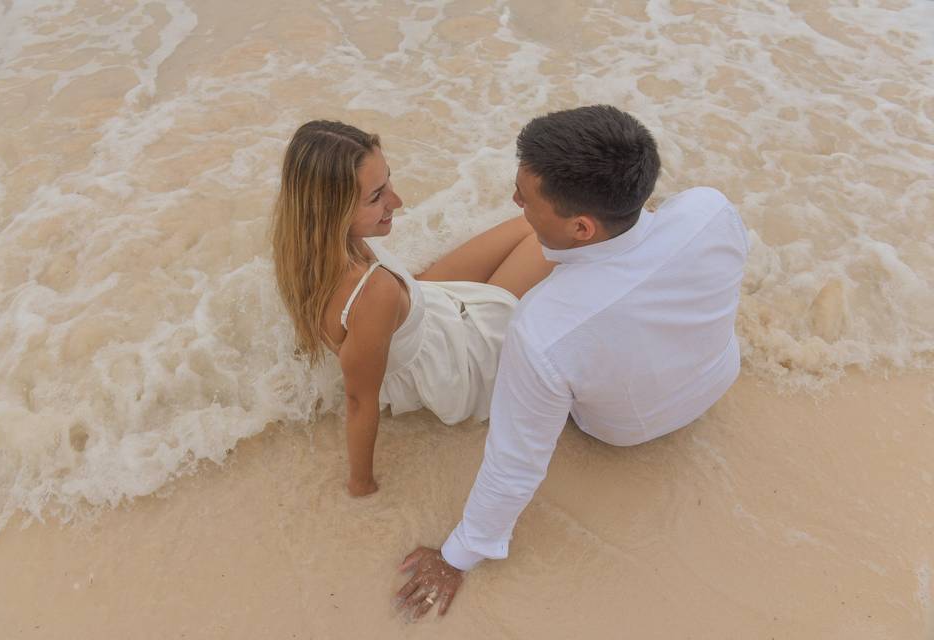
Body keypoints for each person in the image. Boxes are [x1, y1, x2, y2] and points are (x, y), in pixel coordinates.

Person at [396, 105, 750, 618]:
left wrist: (456, 557)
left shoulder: (543, 328)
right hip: (714, 375)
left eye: (525, 195)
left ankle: (414, 295)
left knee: (514, 256)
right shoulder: (710, 210)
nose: (514, 198)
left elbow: (516, 461)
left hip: (627, 429)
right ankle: (427, 292)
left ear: (583, 227)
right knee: (532, 237)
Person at [271, 120, 555, 497]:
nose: (396, 201)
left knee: (529, 223)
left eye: (387, 181)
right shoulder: (373, 292)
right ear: (331, 211)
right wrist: (361, 484)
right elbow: (359, 401)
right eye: (376, 197)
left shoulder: (300, 242)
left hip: (420, 305)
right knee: (546, 234)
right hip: (456, 357)